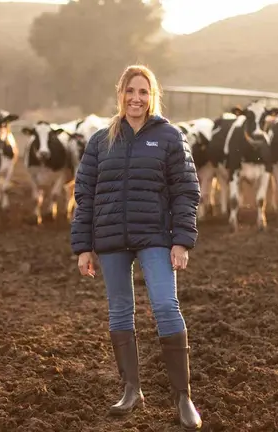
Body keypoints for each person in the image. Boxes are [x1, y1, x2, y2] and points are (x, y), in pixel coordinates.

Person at [70, 64, 202, 430]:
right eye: (130, 91)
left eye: (143, 92)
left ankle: (183, 397)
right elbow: (85, 196)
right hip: (111, 238)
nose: (136, 98)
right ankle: (131, 390)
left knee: (165, 305)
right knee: (119, 312)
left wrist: (181, 240)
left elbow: (186, 191)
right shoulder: (101, 141)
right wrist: (83, 247)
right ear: (120, 95)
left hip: (155, 237)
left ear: (153, 96)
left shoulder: (170, 137)